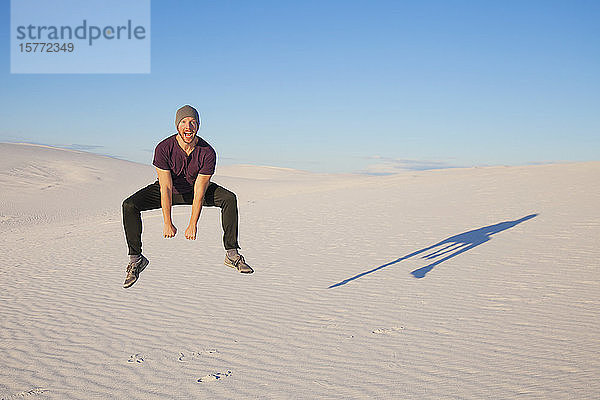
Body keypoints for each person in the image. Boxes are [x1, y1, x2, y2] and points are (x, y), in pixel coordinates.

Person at [122, 105, 253, 288]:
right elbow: (165, 187)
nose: (188, 126)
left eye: (192, 122)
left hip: (193, 191)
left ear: (198, 126)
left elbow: (200, 191)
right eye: (184, 122)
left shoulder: (207, 152)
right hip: (169, 191)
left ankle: (232, 254)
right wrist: (167, 222)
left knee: (229, 198)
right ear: (177, 126)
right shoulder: (163, 148)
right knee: (129, 205)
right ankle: (136, 259)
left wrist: (192, 224)